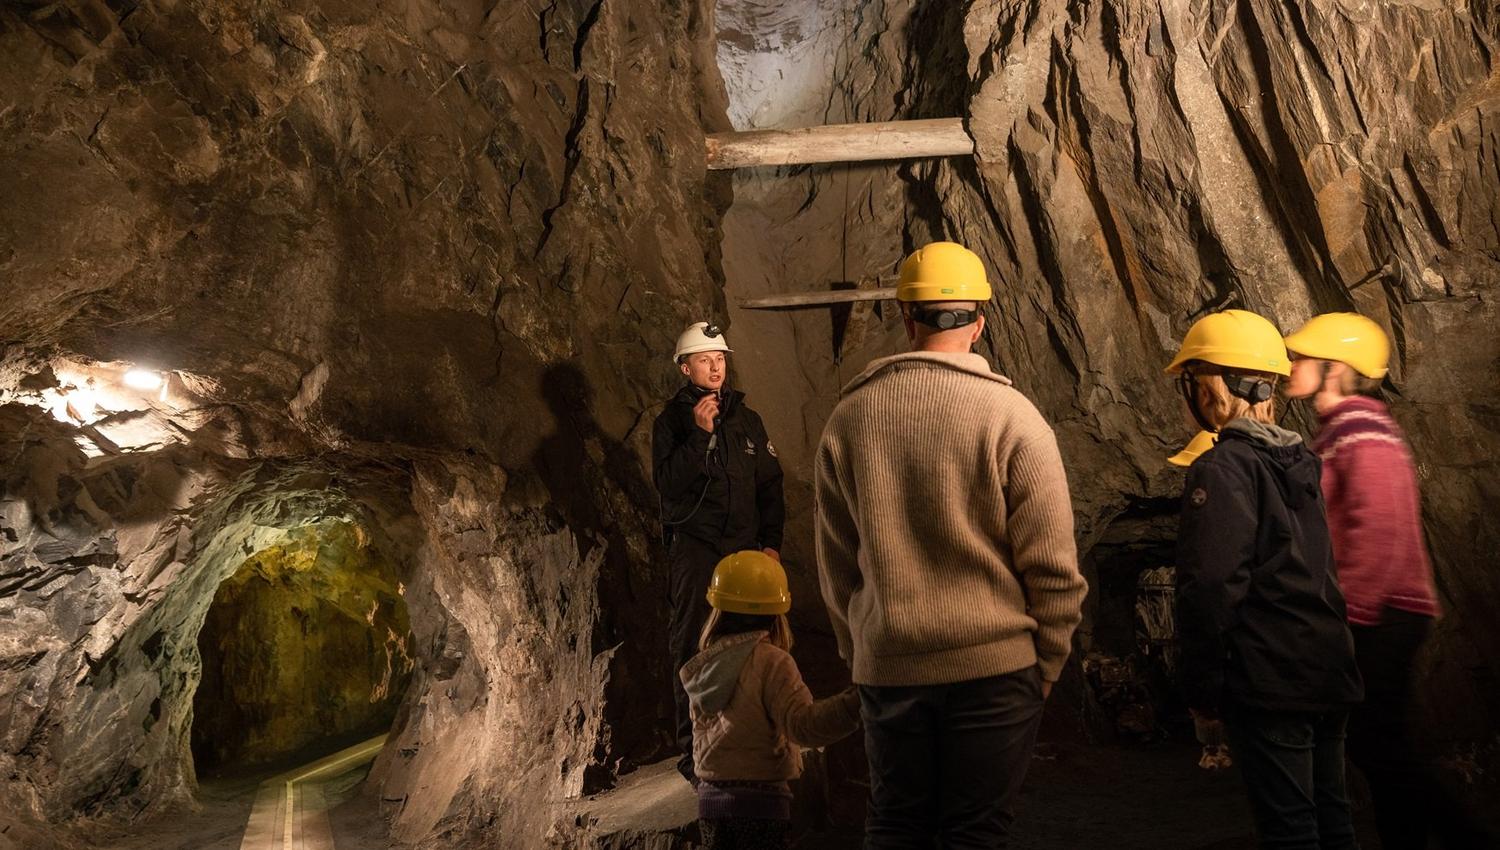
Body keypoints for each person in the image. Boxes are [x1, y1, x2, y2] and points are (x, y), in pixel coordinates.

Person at [814, 241, 1087, 847]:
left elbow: (835, 568)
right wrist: (1044, 669)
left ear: (905, 318)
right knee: (974, 832)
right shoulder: (1015, 419)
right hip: (996, 671)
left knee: (894, 823)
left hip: (891, 664)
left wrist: (862, 651)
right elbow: (1055, 572)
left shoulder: (849, 420)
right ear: (981, 321)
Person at [1284, 312, 1492, 849]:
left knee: (1381, 748)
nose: (1292, 363)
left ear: (1334, 369)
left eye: (1302, 356)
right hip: (1378, 612)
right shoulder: (1338, 433)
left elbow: (1375, 531)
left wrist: (1342, 623)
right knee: (1380, 748)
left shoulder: (1362, 432)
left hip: (1380, 615)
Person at [1166, 308, 1363, 850]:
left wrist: (1202, 690)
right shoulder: (1301, 461)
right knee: (1333, 818)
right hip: (1326, 668)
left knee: (1290, 831)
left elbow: (1210, 588)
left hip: (1272, 679)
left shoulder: (1224, 467)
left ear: (1213, 385)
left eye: (1193, 379)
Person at [654, 321, 786, 785]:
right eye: (705, 360)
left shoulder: (747, 419)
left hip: (745, 551)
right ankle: (695, 757)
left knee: (751, 647)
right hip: (696, 552)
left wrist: (771, 544)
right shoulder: (671, 422)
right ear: (685, 367)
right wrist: (697, 435)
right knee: (693, 645)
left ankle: (744, 742)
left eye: (721, 359)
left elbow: (770, 485)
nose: (715, 367)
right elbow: (668, 486)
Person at [680, 550, 861, 849]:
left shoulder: (703, 665)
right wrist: (860, 702)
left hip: (710, 805)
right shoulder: (772, 662)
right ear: (778, 613)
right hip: (760, 806)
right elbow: (803, 726)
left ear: (718, 609)